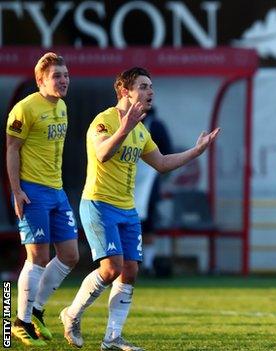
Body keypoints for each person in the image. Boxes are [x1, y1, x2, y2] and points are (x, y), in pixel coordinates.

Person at [59, 67, 220, 350]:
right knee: (112, 268)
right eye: (143, 86)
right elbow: (102, 153)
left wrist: (196, 151)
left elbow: (161, 163)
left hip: (127, 208)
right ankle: (71, 314)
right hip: (99, 204)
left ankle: (112, 338)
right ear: (124, 90)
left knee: (130, 271)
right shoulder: (104, 120)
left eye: (151, 86)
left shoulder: (141, 130)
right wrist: (125, 126)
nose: (150, 92)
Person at [7, 52, 79, 347]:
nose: (63, 81)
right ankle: (17, 322)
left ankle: (35, 311)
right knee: (36, 257)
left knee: (70, 255)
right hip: (32, 191)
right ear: (41, 80)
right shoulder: (24, 109)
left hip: (57, 191)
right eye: (56, 76)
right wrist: (16, 191)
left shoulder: (62, 106)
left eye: (65, 75)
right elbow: (12, 150)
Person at [133, 107, 172, 276]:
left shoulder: (155, 126)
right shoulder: (119, 122)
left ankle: (147, 265)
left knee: (148, 224)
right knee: (126, 222)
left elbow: (166, 155)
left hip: (148, 183)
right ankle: (128, 262)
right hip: (124, 181)